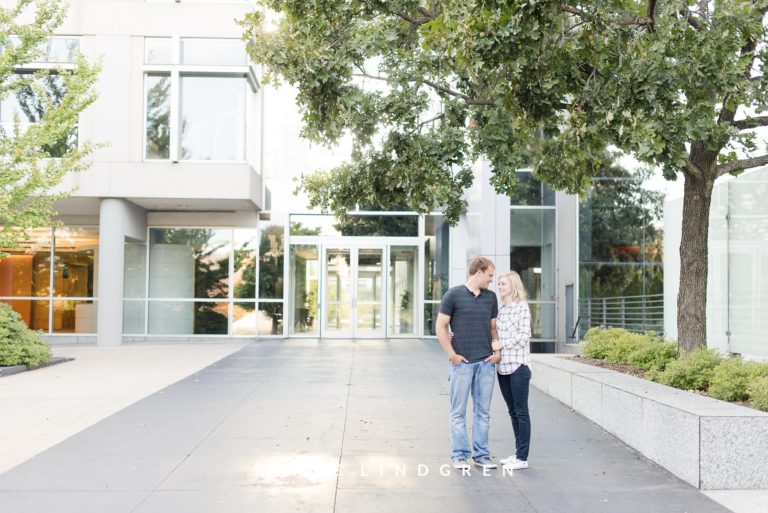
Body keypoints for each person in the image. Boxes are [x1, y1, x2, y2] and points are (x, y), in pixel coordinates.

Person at [436, 256, 501, 471]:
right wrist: (452, 354)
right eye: (490, 275)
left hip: (486, 364)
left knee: (483, 412)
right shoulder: (453, 295)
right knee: (458, 412)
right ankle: (460, 455)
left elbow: (493, 328)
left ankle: (482, 456)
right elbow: (440, 326)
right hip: (461, 364)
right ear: (479, 272)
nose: (492, 280)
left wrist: (497, 352)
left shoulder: (491, 298)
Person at [495, 271, 532, 471]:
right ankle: (518, 453)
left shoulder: (522, 308)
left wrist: (502, 344)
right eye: (499, 284)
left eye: (504, 284)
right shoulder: (500, 309)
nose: (500, 287)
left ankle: (522, 457)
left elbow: (524, 336)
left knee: (521, 411)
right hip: (502, 367)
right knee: (512, 411)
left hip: (519, 366)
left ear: (513, 286)